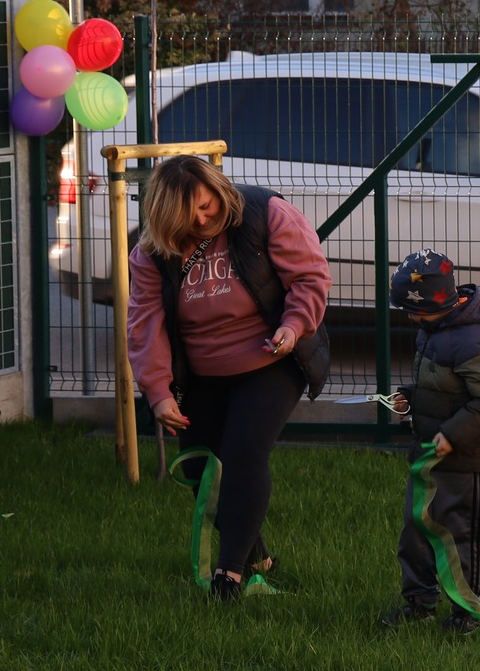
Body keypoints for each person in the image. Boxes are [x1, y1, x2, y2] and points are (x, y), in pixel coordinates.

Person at [128, 157, 332, 600]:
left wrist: (293, 326)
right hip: (202, 372)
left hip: (271, 358)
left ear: (219, 189)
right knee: (202, 468)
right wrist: (158, 393)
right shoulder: (150, 254)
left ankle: (230, 573)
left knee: (242, 453)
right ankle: (255, 552)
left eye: (208, 205)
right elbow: (144, 325)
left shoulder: (265, 212)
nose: (204, 218)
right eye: (190, 215)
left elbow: (310, 276)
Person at [378, 251, 480, 633]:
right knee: (416, 526)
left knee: (459, 532)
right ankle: (419, 601)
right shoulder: (433, 330)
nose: (409, 317)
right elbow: (440, 387)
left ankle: (467, 610)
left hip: (466, 455)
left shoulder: (476, 340)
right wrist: (410, 397)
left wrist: (452, 436)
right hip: (430, 451)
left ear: (433, 303)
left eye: (411, 309)